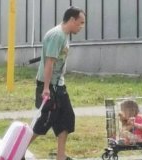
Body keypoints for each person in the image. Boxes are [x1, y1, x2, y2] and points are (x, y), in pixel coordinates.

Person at [24, 6, 85, 160]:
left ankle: (60, 156)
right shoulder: (57, 35)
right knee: (45, 121)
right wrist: (46, 88)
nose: (81, 26)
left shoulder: (63, 35)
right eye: (80, 22)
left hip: (58, 85)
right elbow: (49, 63)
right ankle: (19, 150)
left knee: (66, 119)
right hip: (49, 86)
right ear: (72, 20)